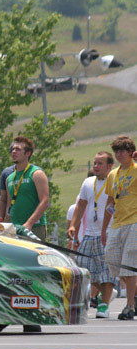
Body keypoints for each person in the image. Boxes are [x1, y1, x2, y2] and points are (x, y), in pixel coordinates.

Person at [68, 152, 117, 319]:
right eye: (95, 163)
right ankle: (107, 293)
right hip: (90, 232)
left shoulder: (114, 180)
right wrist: (73, 225)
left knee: (106, 270)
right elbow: (81, 205)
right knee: (83, 265)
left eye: (99, 163)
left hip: (109, 231)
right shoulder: (88, 182)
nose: (95, 166)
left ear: (109, 166)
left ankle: (104, 304)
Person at [101, 136, 137, 320]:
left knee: (129, 263)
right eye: (116, 151)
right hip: (117, 223)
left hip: (134, 221)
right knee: (112, 259)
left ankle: (129, 305)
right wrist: (104, 229)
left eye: (122, 151)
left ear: (131, 152)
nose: (119, 154)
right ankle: (134, 293)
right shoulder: (113, 174)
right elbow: (110, 202)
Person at [5, 136, 49, 240]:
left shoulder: (36, 173)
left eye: (18, 149)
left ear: (28, 153)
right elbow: (9, 206)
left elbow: (45, 201)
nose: (13, 152)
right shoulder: (9, 178)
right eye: (12, 149)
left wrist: (29, 223)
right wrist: (6, 227)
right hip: (15, 228)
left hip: (34, 227)